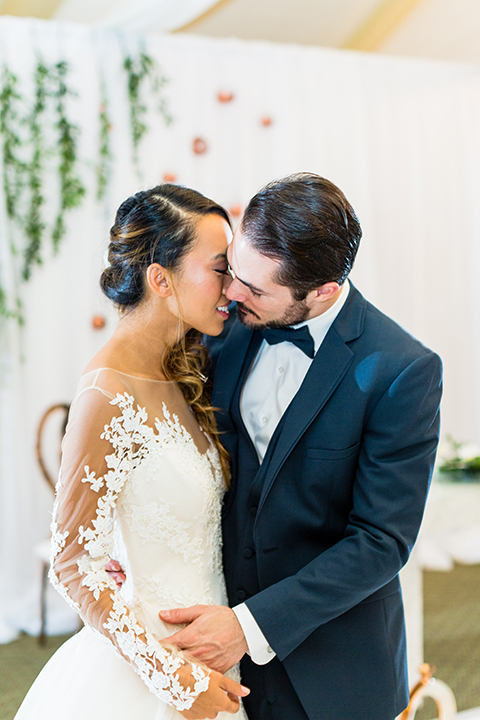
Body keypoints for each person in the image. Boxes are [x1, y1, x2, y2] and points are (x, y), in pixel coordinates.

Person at [155, 173, 443, 720]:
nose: (231, 294)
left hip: (336, 669)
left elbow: (381, 541)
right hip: (215, 656)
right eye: (235, 272)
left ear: (323, 292)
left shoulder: (402, 371)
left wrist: (249, 626)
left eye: (256, 289)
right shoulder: (226, 327)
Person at [14, 184, 250, 720]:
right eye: (219, 267)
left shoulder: (181, 367)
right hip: (155, 675)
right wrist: (173, 678)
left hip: (214, 653)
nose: (231, 286)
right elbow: (74, 564)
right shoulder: (104, 393)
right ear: (161, 278)